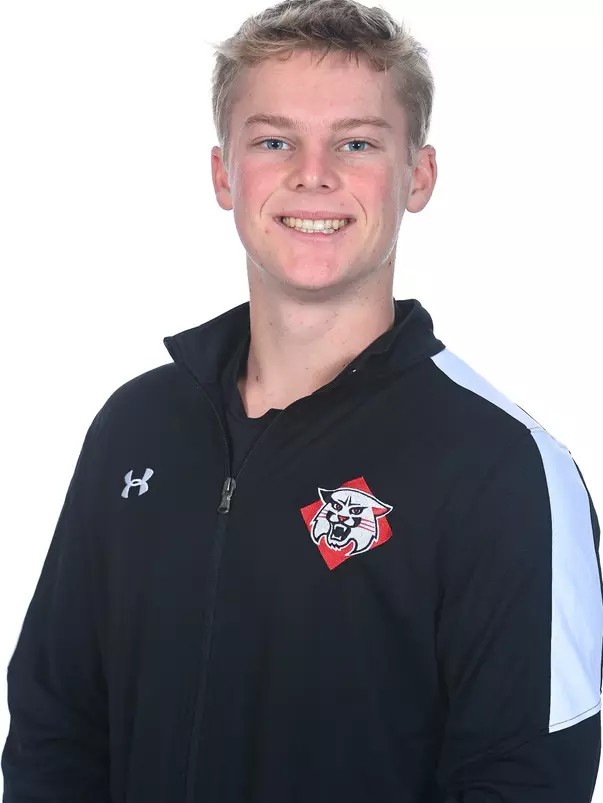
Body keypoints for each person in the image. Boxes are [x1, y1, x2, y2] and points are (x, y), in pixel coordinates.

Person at [2, 0, 602, 800]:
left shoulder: (503, 467)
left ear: (416, 176)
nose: (311, 173)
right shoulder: (134, 427)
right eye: (274, 140)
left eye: (355, 143)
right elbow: (55, 725)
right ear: (223, 173)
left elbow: (525, 776)